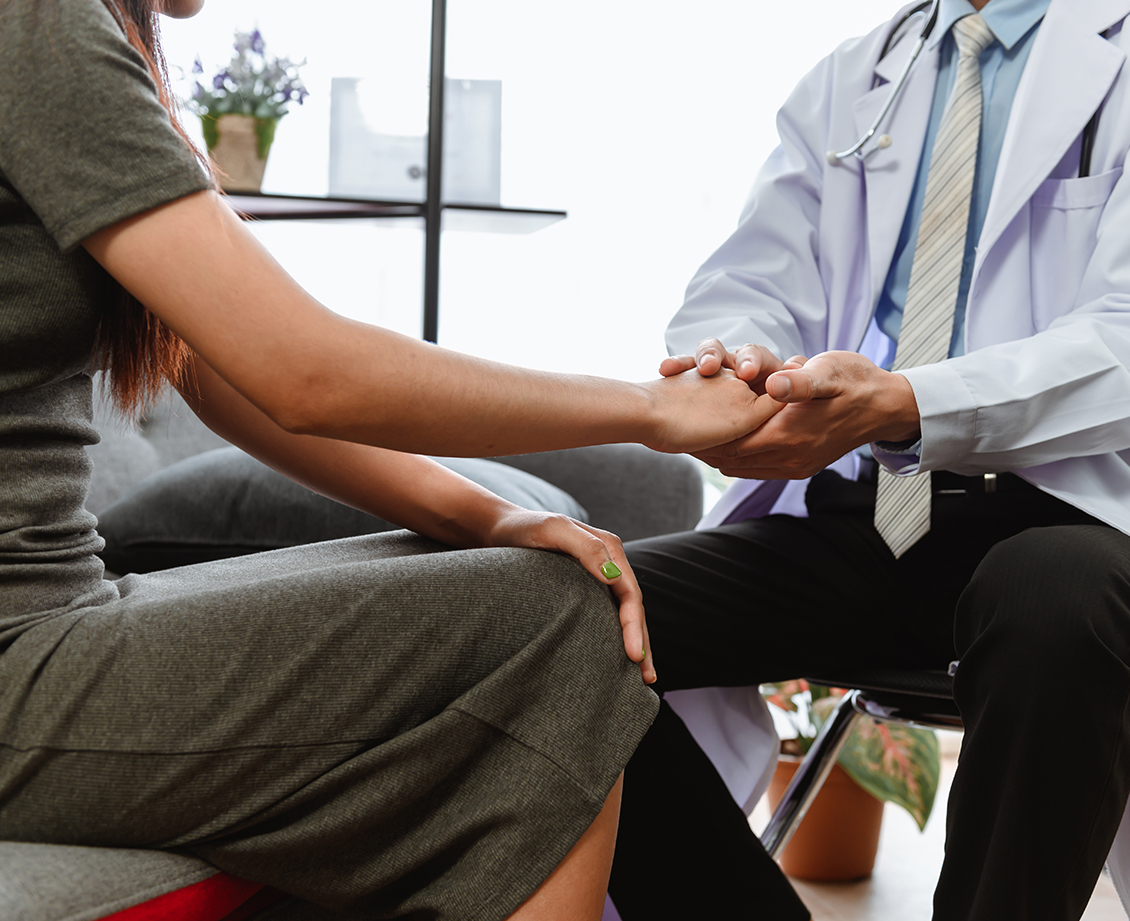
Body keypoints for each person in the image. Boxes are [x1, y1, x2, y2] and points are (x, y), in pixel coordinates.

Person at [0, 1, 783, 919]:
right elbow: (304, 369)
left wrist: (490, 516)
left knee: (535, 581)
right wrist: (656, 409)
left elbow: (228, 367)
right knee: (559, 623)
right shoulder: (38, 20)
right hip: (23, 656)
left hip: (48, 626)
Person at [604, 0, 1130, 919]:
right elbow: (749, 284)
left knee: (1058, 594)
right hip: (868, 511)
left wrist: (910, 402)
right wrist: (743, 368)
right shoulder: (858, 74)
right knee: (577, 615)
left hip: (1080, 513)